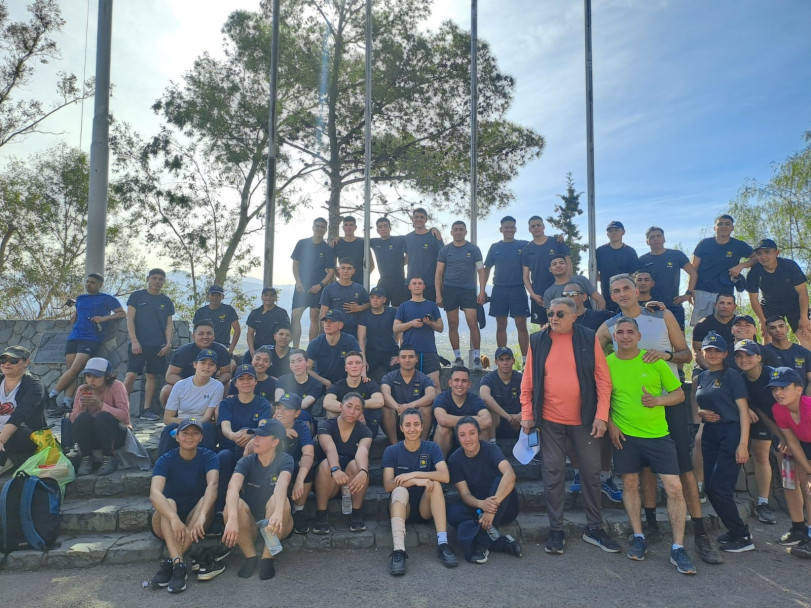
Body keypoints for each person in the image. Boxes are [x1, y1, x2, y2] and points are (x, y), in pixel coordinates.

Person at [520, 297, 619, 555]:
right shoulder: (537, 340)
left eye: (560, 314)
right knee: (553, 475)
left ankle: (594, 529)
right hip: (550, 421)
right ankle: (556, 531)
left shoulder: (588, 338)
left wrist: (601, 416)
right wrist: (527, 413)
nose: (553, 318)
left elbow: (603, 380)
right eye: (550, 313)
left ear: (574, 315)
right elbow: (528, 380)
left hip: (585, 420)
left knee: (591, 474)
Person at [605, 317, 697, 574]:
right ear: (614, 337)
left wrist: (657, 401)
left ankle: (678, 547)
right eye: (620, 332)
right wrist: (611, 424)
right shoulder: (607, 364)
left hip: (658, 435)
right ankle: (638, 536)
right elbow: (602, 398)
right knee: (630, 484)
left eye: (629, 332)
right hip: (626, 437)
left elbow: (679, 394)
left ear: (638, 335)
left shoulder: (653, 360)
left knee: (674, 488)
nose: (624, 336)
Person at [597, 273, 695, 512]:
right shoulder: (612, 327)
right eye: (617, 291)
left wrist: (666, 355)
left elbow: (686, 354)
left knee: (684, 469)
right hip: (637, 407)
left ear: (636, 291)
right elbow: (588, 356)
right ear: (612, 296)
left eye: (626, 288)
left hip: (670, 400)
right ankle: (649, 522)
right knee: (645, 471)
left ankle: (699, 528)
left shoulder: (662, 315)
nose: (622, 294)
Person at [692, 332, 753, 552]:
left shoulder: (732, 376)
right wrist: (702, 412)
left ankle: (743, 536)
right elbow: (698, 407)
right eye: (709, 350)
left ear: (725, 353)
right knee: (711, 487)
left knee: (720, 488)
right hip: (710, 435)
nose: (713, 354)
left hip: (731, 434)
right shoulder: (702, 376)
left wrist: (743, 444)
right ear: (702, 352)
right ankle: (736, 529)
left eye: (717, 350)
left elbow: (743, 411)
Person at [382, 408, 457, 574]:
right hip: (402, 508)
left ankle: (443, 544)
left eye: (416, 424)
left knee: (436, 484)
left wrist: (415, 473)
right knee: (399, 490)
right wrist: (415, 481)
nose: (412, 429)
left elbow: (445, 476)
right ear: (401, 428)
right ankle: (399, 551)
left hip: (425, 508)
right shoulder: (391, 451)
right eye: (407, 425)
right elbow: (388, 485)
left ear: (422, 427)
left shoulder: (432, 448)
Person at [149, 418, 221, 592]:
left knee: (205, 501)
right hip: (166, 522)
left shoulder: (209, 457)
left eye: (195, 433)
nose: (190, 437)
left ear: (201, 437)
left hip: (195, 519)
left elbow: (213, 485)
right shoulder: (166, 459)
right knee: (169, 503)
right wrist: (174, 518)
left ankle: (173, 564)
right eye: (185, 433)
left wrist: (203, 515)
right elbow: (154, 493)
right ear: (177, 437)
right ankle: (178, 563)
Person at [222, 418, 294, 580]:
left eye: (262, 436)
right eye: (255, 436)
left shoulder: (285, 459)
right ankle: (250, 557)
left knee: (279, 502)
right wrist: (232, 518)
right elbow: (232, 488)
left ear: (275, 441)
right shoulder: (246, 461)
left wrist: (276, 512)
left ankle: (268, 558)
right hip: (252, 525)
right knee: (232, 507)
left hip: (279, 523)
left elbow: (282, 485)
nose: (256, 440)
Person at [447, 416, 522, 564]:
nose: (468, 439)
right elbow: (465, 494)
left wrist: (491, 510)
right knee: (453, 513)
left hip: (504, 504)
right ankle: (500, 542)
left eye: (472, 433)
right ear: (458, 437)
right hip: (479, 506)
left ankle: (481, 544)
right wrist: (482, 505)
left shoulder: (491, 449)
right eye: (462, 435)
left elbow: (510, 475)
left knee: (500, 481)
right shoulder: (454, 459)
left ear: (479, 434)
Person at [48, 273, 124, 415]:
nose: (89, 284)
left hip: (91, 338)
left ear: (100, 284)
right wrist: (75, 316)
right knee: (71, 370)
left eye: (92, 282)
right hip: (74, 336)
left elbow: (121, 313)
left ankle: (51, 395)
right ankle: (67, 403)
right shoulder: (81, 299)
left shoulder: (107, 298)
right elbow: (79, 312)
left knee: (76, 368)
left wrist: (104, 318)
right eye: (87, 282)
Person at [313, 392, 372, 535]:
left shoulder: (365, 431)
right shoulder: (326, 425)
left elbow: (362, 450)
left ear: (361, 412)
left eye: (357, 408)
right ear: (341, 406)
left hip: (350, 484)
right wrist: (336, 469)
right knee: (327, 464)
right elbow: (330, 449)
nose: (352, 412)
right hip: (329, 481)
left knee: (358, 466)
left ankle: (356, 513)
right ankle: (321, 513)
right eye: (349, 406)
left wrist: (364, 471)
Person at [767, 367, 811, 559]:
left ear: (799, 389)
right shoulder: (778, 409)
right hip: (806, 444)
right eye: (775, 389)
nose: (778, 393)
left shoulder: (809, 408)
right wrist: (809, 473)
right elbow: (792, 442)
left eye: (784, 388)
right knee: (807, 487)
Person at [734, 340, 778, 525]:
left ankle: (763, 502)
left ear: (759, 357)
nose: (744, 359)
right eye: (739, 355)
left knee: (761, 455)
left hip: (774, 423)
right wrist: (747, 409)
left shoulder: (772, 375)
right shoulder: (737, 378)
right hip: (744, 420)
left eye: (749, 355)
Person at [124, 268, 175, 421]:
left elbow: (169, 325)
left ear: (164, 282)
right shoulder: (137, 296)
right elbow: (130, 319)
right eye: (154, 278)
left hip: (158, 345)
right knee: (131, 375)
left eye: (160, 279)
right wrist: (134, 341)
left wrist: (168, 344)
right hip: (138, 343)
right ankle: (120, 407)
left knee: (152, 376)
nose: (157, 281)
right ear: (148, 279)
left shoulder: (166, 301)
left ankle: (146, 410)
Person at [435, 220, 486, 370]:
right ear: (451, 232)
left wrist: (482, 291)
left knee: (472, 323)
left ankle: (477, 358)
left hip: (468, 290)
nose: (458, 232)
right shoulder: (445, 250)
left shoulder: (473, 249)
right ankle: (457, 357)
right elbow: (438, 273)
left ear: (465, 232)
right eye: (455, 229)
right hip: (450, 289)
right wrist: (438, 294)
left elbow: (481, 270)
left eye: (461, 229)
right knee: (453, 324)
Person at [688, 214, 754, 326]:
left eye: (727, 224)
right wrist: (690, 291)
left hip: (726, 293)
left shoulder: (738, 245)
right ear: (715, 228)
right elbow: (693, 269)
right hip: (703, 291)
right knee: (701, 327)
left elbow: (757, 258)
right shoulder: (704, 244)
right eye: (720, 224)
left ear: (732, 228)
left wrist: (741, 266)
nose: (723, 226)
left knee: (729, 327)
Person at [70, 357, 131, 476]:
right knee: (82, 419)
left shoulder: (117, 386)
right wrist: (82, 406)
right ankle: (86, 458)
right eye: (88, 376)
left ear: (107, 377)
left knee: (103, 417)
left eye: (96, 376)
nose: (91, 380)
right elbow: (73, 420)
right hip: (93, 436)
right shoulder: (82, 389)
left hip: (115, 434)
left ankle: (110, 457)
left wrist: (100, 405)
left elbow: (124, 416)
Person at [747, 239, 811, 348]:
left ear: (776, 253)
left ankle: (806, 363)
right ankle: (770, 364)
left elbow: (803, 292)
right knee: (768, 334)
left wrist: (804, 317)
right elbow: (753, 299)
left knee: (805, 333)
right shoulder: (754, 272)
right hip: (770, 305)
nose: (763, 256)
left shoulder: (789, 266)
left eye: (767, 252)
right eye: (759, 253)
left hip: (794, 304)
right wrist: (763, 321)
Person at [158, 349, 222, 456]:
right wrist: (187, 426)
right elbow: (167, 418)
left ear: (215, 368)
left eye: (211, 364)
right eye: (203, 363)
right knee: (168, 430)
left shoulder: (217, 386)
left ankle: (207, 468)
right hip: (180, 424)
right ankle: (162, 469)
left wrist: (192, 427)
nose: (207, 367)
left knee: (208, 428)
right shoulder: (180, 385)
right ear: (195, 365)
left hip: (202, 424)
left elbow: (207, 417)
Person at [484, 216, 530, 360]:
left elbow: (541, 243)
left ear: (515, 229)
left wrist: (557, 239)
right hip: (499, 289)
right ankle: (501, 358)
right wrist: (482, 290)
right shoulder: (495, 247)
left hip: (518, 288)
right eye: (506, 227)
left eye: (512, 227)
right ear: (501, 229)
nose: (509, 229)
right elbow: (487, 268)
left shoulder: (524, 245)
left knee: (521, 324)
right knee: (501, 324)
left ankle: (525, 361)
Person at [159, 320, 231, 409]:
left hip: (211, 385)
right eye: (201, 334)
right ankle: (171, 416)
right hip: (186, 385)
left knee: (226, 385)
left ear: (214, 336)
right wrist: (191, 386)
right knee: (166, 390)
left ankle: (218, 416)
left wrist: (216, 384)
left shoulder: (221, 350)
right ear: (194, 336)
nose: (205, 337)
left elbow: (227, 373)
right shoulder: (183, 351)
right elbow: (170, 376)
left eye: (209, 333)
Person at [272, 392, 315, 535]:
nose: (280, 412)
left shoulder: (301, 426)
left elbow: (308, 452)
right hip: (270, 470)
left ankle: (298, 510)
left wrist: (300, 480)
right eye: (279, 408)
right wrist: (280, 432)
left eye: (286, 409)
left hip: (291, 470)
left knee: (307, 465)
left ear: (297, 413)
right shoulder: (268, 425)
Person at [638, 226, 696, 330]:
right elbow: (635, 281)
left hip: (673, 304)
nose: (656, 239)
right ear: (647, 242)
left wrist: (688, 294)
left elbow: (693, 273)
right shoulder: (642, 260)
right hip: (650, 306)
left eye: (658, 236)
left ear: (664, 239)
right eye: (652, 237)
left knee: (679, 341)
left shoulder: (676, 255)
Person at [0, 346, 46, 470]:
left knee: (21, 433)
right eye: (3, 359)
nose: (7, 363)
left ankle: (7, 461)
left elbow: (19, 416)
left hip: (20, 435)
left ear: (26, 362)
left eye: (13, 360)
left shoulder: (34, 386)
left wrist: (1, 439)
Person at [393, 277, 444, 387]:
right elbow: (396, 328)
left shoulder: (432, 305)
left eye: (420, 283)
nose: (417, 286)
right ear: (409, 287)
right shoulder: (403, 306)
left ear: (424, 287)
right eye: (414, 283)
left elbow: (440, 328)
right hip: (409, 352)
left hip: (429, 350)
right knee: (408, 384)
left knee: (435, 384)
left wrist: (430, 323)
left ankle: (437, 405)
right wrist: (411, 324)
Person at [291, 218, 335, 347]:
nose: (320, 229)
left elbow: (331, 272)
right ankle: (295, 348)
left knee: (314, 317)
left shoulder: (327, 249)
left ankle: (311, 348)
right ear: (313, 227)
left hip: (317, 288)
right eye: (317, 226)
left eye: (322, 227)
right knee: (295, 316)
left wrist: (320, 285)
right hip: (301, 286)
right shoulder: (302, 243)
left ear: (325, 230)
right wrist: (298, 282)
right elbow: (295, 264)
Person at [380, 345, 436, 444]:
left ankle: (422, 444)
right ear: (398, 360)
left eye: (411, 357)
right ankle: (395, 446)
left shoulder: (424, 378)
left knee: (427, 408)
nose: (407, 360)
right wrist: (398, 408)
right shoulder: (389, 377)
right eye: (403, 357)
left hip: (416, 424)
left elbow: (431, 395)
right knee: (386, 409)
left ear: (416, 359)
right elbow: (385, 394)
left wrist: (410, 406)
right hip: (395, 422)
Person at [521, 215, 571, 326]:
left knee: (564, 324)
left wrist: (566, 287)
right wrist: (533, 294)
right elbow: (525, 276)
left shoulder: (557, 242)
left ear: (543, 226)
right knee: (543, 328)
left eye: (538, 225)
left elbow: (568, 266)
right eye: (533, 226)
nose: (536, 228)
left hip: (560, 291)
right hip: (539, 295)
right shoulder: (527, 249)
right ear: (529, 229)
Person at [323, 351, 384, 438]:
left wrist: (358, 408)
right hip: (344, 426)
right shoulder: (338, 385)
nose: (354, 366)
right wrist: (350, 410)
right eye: (350, 363)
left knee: (377, 410)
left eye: (358, 363)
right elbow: (327, 402)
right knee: (331, 412)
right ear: (345, 368)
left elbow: (379, 401)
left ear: (362, 367)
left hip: (366, 427)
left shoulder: (370, 384)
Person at [432, 366, 491, 456]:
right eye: (456, 380)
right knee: (443, 428)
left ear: (469, 384)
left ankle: (480, 464)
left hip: (469, 440)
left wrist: (452, 420)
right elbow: (442, 420)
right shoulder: (441, 398)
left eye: (464, 381)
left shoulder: (475, 400)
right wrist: (471, 420)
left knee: (483, 430)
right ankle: (439, 465)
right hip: (447, 442)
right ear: (450, 383)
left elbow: (487, 421)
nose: (460, 384)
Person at [217, 364, 272, 458]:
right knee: (223, 456)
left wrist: (252, 433)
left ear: (255, 381)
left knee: (246, 432)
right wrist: (234, 436)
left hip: (254, 448)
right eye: (241, 379)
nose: (246, 382)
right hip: (230, 448)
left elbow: (262, 427)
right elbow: (226, 428)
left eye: (250, 378)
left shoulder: (263, 403)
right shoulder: (226, 403)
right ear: (235, 383)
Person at [306, 309, 360, 387]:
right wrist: (325, 382)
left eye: (332, 321)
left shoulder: (350, 341)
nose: (327, 324)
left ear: (340, 325)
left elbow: (358, 362)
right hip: (321, 384)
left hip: (345, 384)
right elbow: (307, 369)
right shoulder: (315, 343)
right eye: (325, 321)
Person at [479, 347, 523, 440]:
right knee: (489, 414)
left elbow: (534, 398)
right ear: (496, 362)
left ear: (513, 361)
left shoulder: (521, 378)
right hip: (499, 421)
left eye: (508, 359)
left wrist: (521, 415)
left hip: (520, 420)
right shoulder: (489, 378)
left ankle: (532, 450)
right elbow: (484, 396)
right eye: (501, 359)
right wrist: (508, 417)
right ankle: (492, 445)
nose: (505, 363)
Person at [319, 257, 370, 338]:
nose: (346, 271)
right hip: (335, 330)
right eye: (343, 268)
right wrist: (327, 332)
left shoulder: (359, 288)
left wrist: (360, 308)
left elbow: (370, 304)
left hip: (354, 331)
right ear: (338, 270)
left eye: (349, 268)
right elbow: (323, 314)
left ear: (353, 271)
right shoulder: (328, 289)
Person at [357, 286, 400, 382]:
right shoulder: (364, 315)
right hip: (372, 353)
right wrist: (363, 360)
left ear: (384, 299)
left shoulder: (393, 312)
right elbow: (361, 339)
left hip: (390, 352)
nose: (375, 300)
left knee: (399, 375)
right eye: (372, 297)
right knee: (361, 375)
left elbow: (400, 332)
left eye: (378, 297)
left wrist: (399, 355)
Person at [595, 221, 639, 312]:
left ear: (623, 232)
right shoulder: (600, 251)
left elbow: (633, 276)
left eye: (616, 230)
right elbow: (595, 274)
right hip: (607, 297)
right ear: (607, 234)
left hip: (626, 297)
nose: (614, 232)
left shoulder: (630, 252)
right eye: (610, 230)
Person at [404, 207, 444, 302]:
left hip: (430, 283)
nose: (419, 219)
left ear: (426, 220)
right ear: (412, 219)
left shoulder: (434, 236)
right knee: (411, 315)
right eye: (416, 217)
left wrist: (442, 283)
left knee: (429, 316)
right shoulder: (407, 238)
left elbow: (442, 259)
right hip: (411, 283)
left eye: (422, 217)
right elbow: (407, 257)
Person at [763, 316, 811, 392]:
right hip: (773, 399)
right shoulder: (763, 352)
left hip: (801, 400)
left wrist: (807, 401)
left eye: (781, 326)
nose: (778, 330)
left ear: (787, 328)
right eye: (773, 328)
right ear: (768, 331)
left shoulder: (804, 352)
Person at [275, 349, 325, 420]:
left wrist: (288, 411)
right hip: (282, 413)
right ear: (289, 365)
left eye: (299, 360)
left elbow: (304, 404)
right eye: (292, 362)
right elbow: (278, 400)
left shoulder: (315, 384)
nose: (296, 365)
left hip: (303, 416)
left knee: (300, 414)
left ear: (307, 362)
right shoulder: (282, 379)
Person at [692, 293, 737, 370]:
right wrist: (713, 370)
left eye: (729, 303)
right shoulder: (702, 324)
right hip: (707, 367)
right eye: (722, 303)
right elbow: (696, 352)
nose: (725, 306)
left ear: (734, 307)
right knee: (697, 379)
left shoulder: (742, 325)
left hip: (735, 368)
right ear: (715, 305)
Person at [193, 285, 240, 356]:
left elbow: (237, 329)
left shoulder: (228, 310)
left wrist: (232, 347)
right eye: (212, 294)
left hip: (223, 346)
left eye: (218, 295)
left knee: (232, 365)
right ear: (208, 296)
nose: (215, 297)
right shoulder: (200, 312)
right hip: (203, 346)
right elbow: (195, 331)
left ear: (222, 297)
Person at [370, 217, 408, 306]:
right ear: (377, 230)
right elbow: (356, 240)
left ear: (390, 228)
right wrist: (340, 238)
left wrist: (402, 263)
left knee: (399, 309)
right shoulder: (374, 242)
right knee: (381, 308)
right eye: (380, 227)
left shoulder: (400, 240)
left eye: (385, 226)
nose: (383, 229)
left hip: (399, 281)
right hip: (384, 281)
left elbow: (414, 241)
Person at [245, 287, 290, 362]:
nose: (268, 297)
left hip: (275, 350)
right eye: (266, 295)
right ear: (262, 297)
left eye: (271, 295)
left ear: (275, 298)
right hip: (257, 349)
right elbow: (250, 333)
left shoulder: (281, 313)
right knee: (245, 366)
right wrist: (252, 351)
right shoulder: (255, 313)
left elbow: (286, 331)